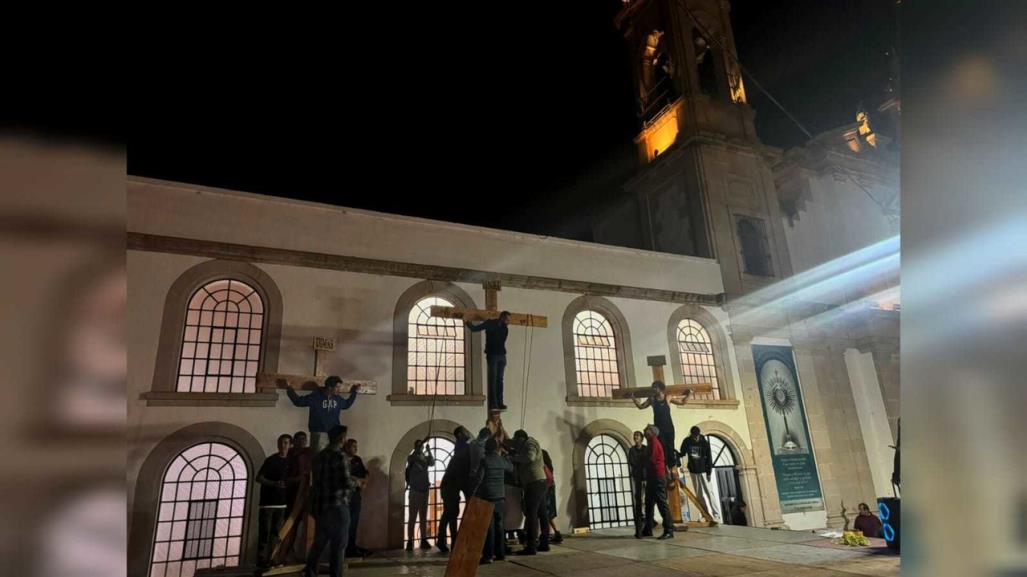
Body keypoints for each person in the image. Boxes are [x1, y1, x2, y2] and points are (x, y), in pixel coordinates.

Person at [304, 425, 354, 577]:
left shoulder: (319, 456)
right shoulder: (340, 456)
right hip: (337, 506)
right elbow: (346, 481)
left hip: (321, 506)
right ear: (342, 438)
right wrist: (357, 483)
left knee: (318, 544)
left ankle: (310, 572)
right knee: (338, 546)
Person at [287, 376, 360, 452]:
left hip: (334, 434)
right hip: (319, 432)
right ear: (329, 387)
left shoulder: (337, 398)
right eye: (337, 387)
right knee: (319, 458)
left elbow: (346, 405)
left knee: (333, 458)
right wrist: (289, 388)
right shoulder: (316, 397)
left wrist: (354, 392)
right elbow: (298, 402)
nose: (339, 389)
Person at [506, 429, 550, 555]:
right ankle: (544, 543)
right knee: (542, 514)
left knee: (531, 514)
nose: (515, 444)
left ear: (521, 438)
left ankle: (531, 546)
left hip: (534, 483)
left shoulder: (530, 444)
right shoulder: (525, 443)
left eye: (516, 441)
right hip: (539, 482)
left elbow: (530, 457)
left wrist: (513, 458)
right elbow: (509, 442)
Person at [633, 381, 690, 470]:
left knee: (670, 447)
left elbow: (682, 402)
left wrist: (690, 394)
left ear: (661, 388)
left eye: (655, 387)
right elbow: (641, 406)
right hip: (658, 429)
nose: (654, 389)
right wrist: (633, 398)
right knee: (662, 447)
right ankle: (665, 467)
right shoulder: (652, 399)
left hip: (669, 427)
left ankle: (672, 467)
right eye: (653, 388)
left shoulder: (668, 398)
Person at [256, 434, 293, 568]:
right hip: (268, 502)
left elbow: (291, 479)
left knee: (276, 534)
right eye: (281, 443)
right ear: (278, 445)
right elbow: (259, 478)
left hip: (282, 503)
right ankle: (261, 561)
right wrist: (273, 484)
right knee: (265, 533)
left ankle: (272, 558)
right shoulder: (271, 460)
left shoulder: (290, 462)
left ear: (290, 445)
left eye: (286, 443)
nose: (284, 445)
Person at [477, 437, 514, 564]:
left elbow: (479, 478)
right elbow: (511, 468)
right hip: (500, 497)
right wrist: (507, 456)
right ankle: (501, 554)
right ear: (496, 448)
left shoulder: (484, 460)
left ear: (486, 447)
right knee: (500, 527)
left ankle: (488, 556)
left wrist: (474, 493)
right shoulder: (501, 460)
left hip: (488, 497)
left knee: (489, 527)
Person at [437, 426, 472, 552]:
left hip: (450, 485)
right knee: (451, 514)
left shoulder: (461, 447)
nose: (468, 433)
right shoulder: (463, 447)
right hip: (451, 485)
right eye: (465, 432)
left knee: (449, 514)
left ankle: (444, 541)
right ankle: (453, 542)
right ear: (460, 435)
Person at [466, 311, 510, 411]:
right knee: (494, 380)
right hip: (494, 355)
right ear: (502, 318)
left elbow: (500, 340)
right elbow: (474, 329)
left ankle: (500, 403)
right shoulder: (491, 324)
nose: (509, 322)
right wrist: (466, 321)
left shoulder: (504, 328)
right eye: (507, 320)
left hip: (501, 355)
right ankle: (494, 404)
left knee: (499, 380)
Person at [680, 426, 720, 519]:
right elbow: (682, 453)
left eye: (697, 436)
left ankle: (716, 514)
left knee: (709, 492)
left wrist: (709, 472)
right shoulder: (687, 441)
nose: (696, 438)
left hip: (704, 471)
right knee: (699, 494)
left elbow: (709, 458)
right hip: (694, 471)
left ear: (699, 434)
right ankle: (705, 514)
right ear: (691, 435)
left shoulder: (704, 442)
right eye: (694, 436)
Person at [643, 425, 674, 540]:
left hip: (657, 476)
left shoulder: (655, 443)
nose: (645, 432)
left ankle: (669, 530)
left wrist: (642, 462)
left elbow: (652, 459)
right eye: (645, 430)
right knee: (649, 503)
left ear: (653, 433)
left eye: (647, 430)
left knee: (661, 503)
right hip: (652, 476)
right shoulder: (651, 443)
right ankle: (648, 528)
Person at [404, 438, 435, 551]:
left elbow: (432, 462)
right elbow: (417, 459)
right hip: (415, 491)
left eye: (420, 446)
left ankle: (423, 539)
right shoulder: (412, 457)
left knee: (423, 517)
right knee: (412, 517)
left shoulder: (424, 457)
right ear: (415, 447)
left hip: (424, 491)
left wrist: (429, 450)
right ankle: (410, 541)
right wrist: (420, 451)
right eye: (418, 445)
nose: (420, 447)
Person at [343, 439, 370, 558]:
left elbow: (365, 474)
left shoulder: (357, 460)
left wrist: (363, 482)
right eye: (353, 446)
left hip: (355, 496)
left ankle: (351, 547)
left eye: (356, 446)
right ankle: (344, 548)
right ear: (347, 447)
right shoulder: (341, 459)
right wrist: (355, 479)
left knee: (354, 524)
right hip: (344, 497)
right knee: (345, 524)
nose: (355, 448)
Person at [626, 430, 648, 538]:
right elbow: (632, 462)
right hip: (637, 478)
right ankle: (639, 529)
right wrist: (641, 464)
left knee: (648, 500)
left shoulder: (646, 449)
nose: (636, 437)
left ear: (641, 438)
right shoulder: (632, 450)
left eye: (638, 436)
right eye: (635, 436)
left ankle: (648, 522)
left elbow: (648, 461)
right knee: (638, 500)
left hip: (646, 477)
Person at [286, 431, 312, 516]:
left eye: (304, 439)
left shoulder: (308, 452)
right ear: (294, 441)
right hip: (291, 487)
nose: (302, 441)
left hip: (304, 486)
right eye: (300, 439)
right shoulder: (289, 453)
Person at [541, 449, 563, 543]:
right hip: (550, 488)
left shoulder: (543, 467)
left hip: (545, 489)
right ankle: (555, 533)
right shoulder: (549, 467)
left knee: (545, 513)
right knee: (548, 513)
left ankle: (554, 533)